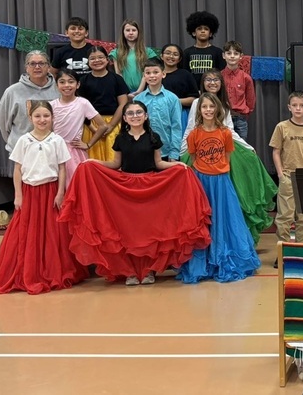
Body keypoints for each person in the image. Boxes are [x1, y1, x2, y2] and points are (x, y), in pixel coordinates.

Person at [60, 101, 211, 286]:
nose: (135, 116)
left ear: (145, 116)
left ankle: (149, 271)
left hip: (150, 187)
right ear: (124, 118)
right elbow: (115, 164)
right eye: (130, 113)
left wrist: (178, 166)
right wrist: (93, 163)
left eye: (139, 112)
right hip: (126, 189)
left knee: (149, 231)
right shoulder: (120, 139)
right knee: (129, 231)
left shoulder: (154, 137)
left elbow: (158, 163)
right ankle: (130, 272)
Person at [0, 101, 88, 294]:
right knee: (28, 231)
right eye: (37, 116)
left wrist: (60, 193)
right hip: (29, 192)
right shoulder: (24, 140)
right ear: (30, 118)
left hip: (51, 191)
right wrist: (18, 195)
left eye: (46, 116)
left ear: (52, 117)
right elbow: (18, 169)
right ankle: (28, 271)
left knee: (53, 232)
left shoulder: (57, 140)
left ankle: (53, 270)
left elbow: (62, 168)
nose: (42, 120)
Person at [182, 70, 277, 244]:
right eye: (208, 79)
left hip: (221, 151)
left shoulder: (224, 103)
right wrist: (182, 153)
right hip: (202, 150)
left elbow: (229, 130)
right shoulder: (197, 102)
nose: (212, 83)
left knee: (233, 193)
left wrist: (247, 147)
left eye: (216, 80)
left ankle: (230, 237)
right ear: (203, 83)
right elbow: (191, 128)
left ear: (221, 83)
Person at [177, 93, 260, 283]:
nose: (208, 110)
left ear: (217, 109)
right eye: (204, 107)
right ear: (199, 110)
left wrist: (218, 171)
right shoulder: (194, 134)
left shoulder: (225, 133)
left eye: (211, 106)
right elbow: (194, 158)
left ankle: (223, 259)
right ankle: (204, 263)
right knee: (204, 222)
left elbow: (227, 157)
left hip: (221, 183)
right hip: (202, 183)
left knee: (224, 220)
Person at [270, 92, 303, 265]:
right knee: (284, 218)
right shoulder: (282, 127)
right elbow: (276, 151)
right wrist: (280, 174)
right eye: (294, 105)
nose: (298, 109)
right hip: (288, 176)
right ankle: (284, 253)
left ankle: (302, 251)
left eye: (302, 105)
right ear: (289, 107)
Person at [0, 50, 59, 176]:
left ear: (48, 66)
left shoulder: (59, 89)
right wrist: (16, 142)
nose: (37, 67)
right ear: (26, 67)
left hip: (53, 150)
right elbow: (3, 123)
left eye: (41, 63)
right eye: (32, 64)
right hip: (24, 152)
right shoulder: (12, 92)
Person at [50, 69, 109, 181]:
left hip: (75, 152)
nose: (66, 85)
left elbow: (103, 126)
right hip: (55, 150)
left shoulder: (83, 103)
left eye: (71, 81)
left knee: (75, 182)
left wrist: (88, 144)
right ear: (56, 85)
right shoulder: (52, 105)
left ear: (78, 85)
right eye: (62, 82)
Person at [78, 46, 129, 162]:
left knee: (113, 159)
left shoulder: (117, 79)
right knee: (92, 160)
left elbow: (123, 104)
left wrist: (110, 125)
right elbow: (81, 107)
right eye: (92, 58)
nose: (97, 61)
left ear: (107, 60)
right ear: (88, 62)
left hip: (114, 123)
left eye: (100, 57)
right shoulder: (83, 81)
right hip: (91, 125)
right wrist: (94, 128)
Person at [134, 58, 182, 161]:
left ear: (163, 74)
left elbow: (176, 126)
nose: (152, 76)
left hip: (166, 152)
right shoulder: (137, 99)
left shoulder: (173, 99)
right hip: (141, 151)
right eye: (148, 73)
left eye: (156, 72)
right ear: (144, 76)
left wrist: (174, 153)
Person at [158, 43, 199, 135]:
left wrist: (173, 101)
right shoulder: (155, 74)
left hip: (181, 114)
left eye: (175, 54)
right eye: (168, 53)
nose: (171, 56)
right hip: (158, 114)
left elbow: (194, 98)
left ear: (180, 59)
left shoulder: (185, 74)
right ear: (161, 56)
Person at [110, 19, 158, 93]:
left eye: (134, 30)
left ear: (138, 32)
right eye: (127, 30)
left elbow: (147, 73)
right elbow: (118, 74)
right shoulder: (116, 52)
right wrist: (126, 92)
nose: (131, 33)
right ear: (123, 32)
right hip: (125, 92)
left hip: (145, 90)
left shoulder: (148, 52)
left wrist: (139, 91)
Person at [221, 40, 255, 141]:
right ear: (223, 56)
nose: (232, 56)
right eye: (229, 53)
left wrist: (245, 113)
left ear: (241, 56)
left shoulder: (246, 78)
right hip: (223, 118)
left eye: (236, 53)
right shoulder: (219, 76)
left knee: (241, 147)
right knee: (223, 145)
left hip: (240, 119)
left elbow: (250, 99)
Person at [182, 11, 226, 84]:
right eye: (199, 29)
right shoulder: (187, 52)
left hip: (212, 87)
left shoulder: (218, 52)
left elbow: (221, 74)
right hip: (193, 89)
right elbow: (185, 74)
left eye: (206, 29)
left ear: (210, 33)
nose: (203, 31)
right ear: (194, 33)